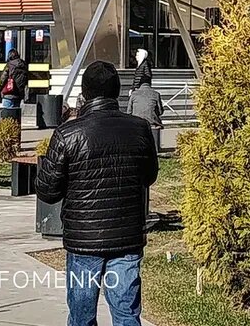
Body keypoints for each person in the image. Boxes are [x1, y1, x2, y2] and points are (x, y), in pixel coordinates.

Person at [37, 60, 158, 326]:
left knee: (81, 317)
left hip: (84, 241)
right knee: (126, 314)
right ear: (117, 91)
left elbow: (47, 191)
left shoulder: (67, 133)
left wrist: (49, 162)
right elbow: (149, 176)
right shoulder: (139, 128)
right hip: (126, 236)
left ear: (84, 92)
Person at [126, 72, 164, 152]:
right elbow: (160, 111)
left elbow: (129, 112)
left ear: (139, 84)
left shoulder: (134, 94)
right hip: (152, 123)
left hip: (136, 123)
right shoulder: (156, 94)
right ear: (150, 83)